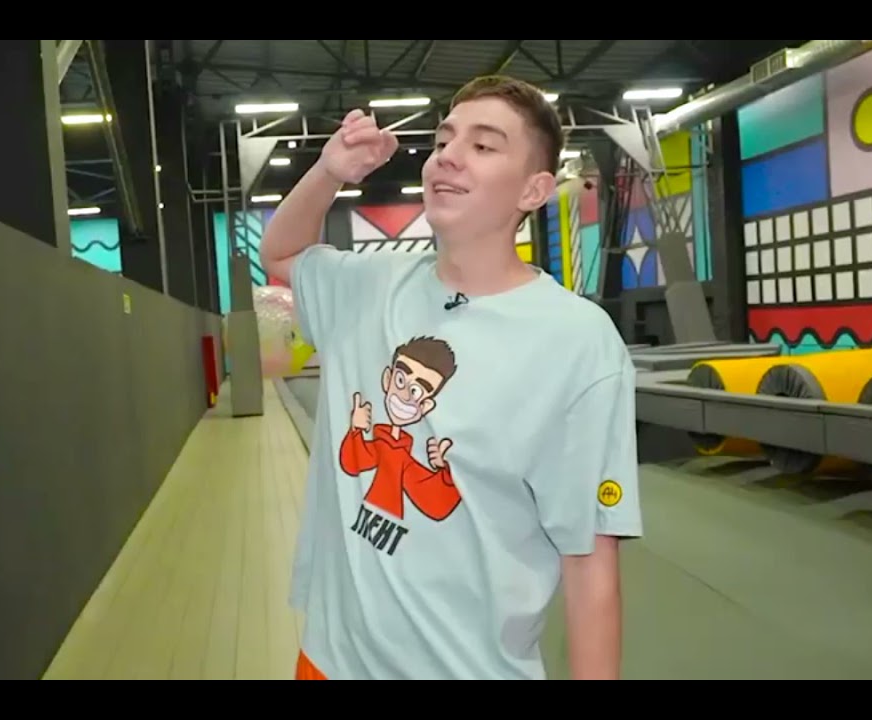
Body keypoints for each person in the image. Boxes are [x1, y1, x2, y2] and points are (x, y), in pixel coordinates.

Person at [260, 75, 643, 681]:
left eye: (483, 146)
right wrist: (329, 171)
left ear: (534, 189)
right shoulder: (368, 287)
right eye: (444, 140)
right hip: (332, 662)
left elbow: (590, 561)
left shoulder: (576, 342)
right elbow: (281, 255)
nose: (449, 156)